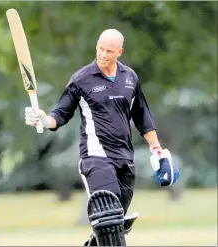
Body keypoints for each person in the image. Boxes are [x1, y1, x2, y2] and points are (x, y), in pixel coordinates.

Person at [25, 29, 180, 246]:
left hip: (125, 158)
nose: (103, 54)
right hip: (95, 157)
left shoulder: (130, 78)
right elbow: (59, 114)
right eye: (100, 49)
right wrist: (43, 119)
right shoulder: (81, 79)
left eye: (109, 51)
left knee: (114, 226)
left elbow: (142, 116)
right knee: (109, 213)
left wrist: (157, 149)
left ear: (120, 52)